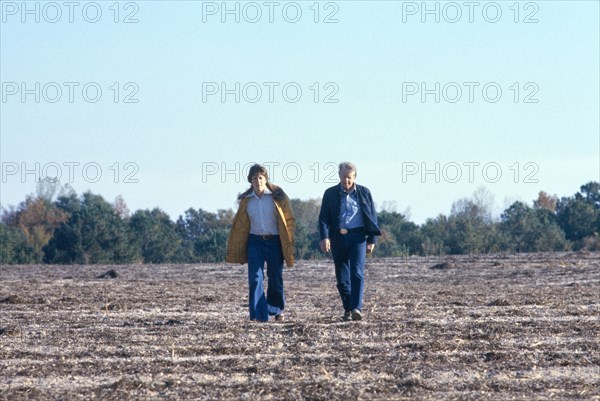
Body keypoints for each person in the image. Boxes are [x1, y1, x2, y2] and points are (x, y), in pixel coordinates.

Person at [226, 164, 295, 322]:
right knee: (255, 278)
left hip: (275, 241)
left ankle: (276, 309)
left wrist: (289, 240)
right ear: (250, 181)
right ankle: (259, 316)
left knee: (275, 276)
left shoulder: (277, 197)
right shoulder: (246, 201)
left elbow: (289, 219)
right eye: (254, 178)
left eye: (261, 177)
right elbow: (240, 225)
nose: (258, 181)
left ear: (266, 179)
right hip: (255, 241)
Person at [318, 162, 381, 321]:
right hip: (338, 238)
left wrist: (372, 239)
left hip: (358, 238)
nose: (346, 180)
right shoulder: (330, 193)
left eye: (349, 177)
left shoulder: (364, 193)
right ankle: (347, 308)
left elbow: (372, 216)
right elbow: (323, 218)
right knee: (342, 277)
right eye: (343, 176)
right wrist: (325, 237)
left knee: (357, 273)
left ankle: (356, 308)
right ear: (339, 176)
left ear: (354, 177)